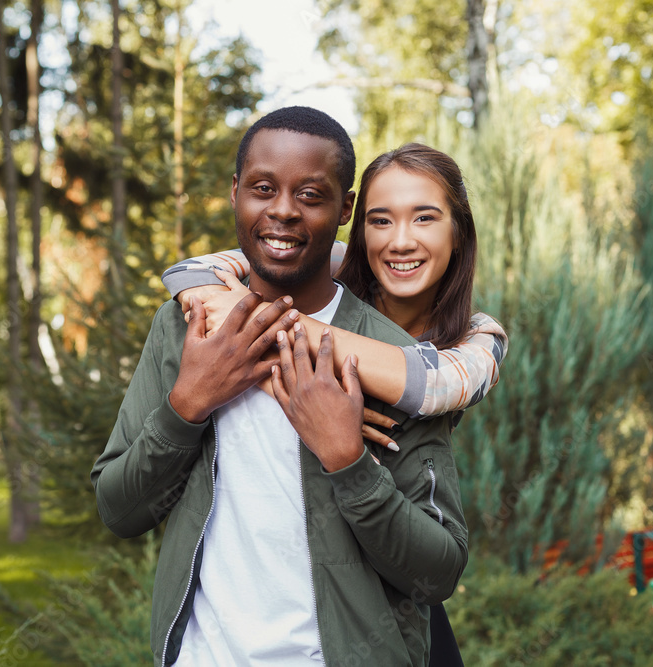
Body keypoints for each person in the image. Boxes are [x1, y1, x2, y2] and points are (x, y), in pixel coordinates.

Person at [91, 107, 468, 666]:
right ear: (236, 192)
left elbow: (437, 573)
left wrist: (347, 459)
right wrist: (188, 405)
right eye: (263, 188)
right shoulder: (183, 328)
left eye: (311, 195)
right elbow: (120, 510)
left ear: (345, 210)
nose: (283, 211)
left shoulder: (395, 365)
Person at [161, 142, 508, 665]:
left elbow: (431, 386)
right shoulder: (338, 274)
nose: (401, 241)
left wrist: (271, 330)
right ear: (357, 226)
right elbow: (194, 269)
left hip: (391, 579)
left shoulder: (476, 338)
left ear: (459, 230)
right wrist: (208, 294)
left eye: (425, 218)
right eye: (381, 220)